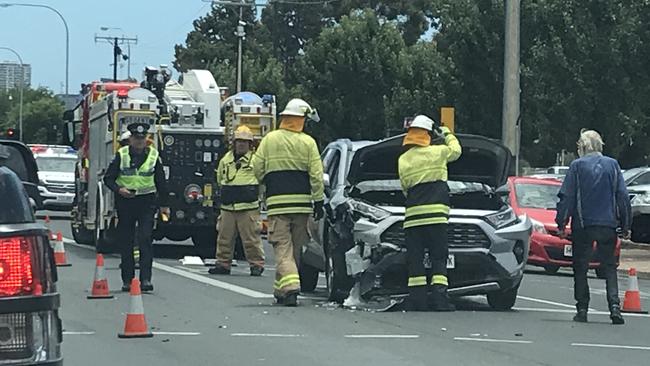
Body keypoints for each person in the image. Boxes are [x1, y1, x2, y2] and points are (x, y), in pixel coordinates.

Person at [253, 98, 324, 307]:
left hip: (278, 205)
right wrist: (318, 201)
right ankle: (281, 290)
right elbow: (317, 176)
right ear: (301, 119)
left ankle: (291, 287)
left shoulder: (270, 139)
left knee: (282, 249)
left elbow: (257, 167)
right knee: (293, 251)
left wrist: (265, 182)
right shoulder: (308, 142)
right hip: (302, 207)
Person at [556, 129, 631, 325]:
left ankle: (582, 309)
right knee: (610, 267)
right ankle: (614, 307)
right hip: (608, 224)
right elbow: (622, 197)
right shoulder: (613, 165)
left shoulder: (577, 166)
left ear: (582, 147)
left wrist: (561, 223)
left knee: (580, 267)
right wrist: (625, 224)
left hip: (583, 224)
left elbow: (567, 197)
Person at [398, 115, 461, 311]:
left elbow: (405, 187)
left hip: (413, 218)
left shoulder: (403, 159)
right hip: (437, 217)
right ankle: (440, 299)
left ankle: (418, 300)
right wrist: (447, 133)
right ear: (428, 135)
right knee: (438, 257)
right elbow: (456, 151)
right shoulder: (439, 152)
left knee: (415, 259)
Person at [104, 122, 170, 292]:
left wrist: (164, 205)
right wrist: (120, 189)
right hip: (126, 203)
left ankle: (146, 279)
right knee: (126, 241)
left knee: (145, 239)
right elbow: (108, 179)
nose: (139, 141)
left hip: (146, 203)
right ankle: (127, 280)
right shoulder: (122, 155)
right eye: (136, 138)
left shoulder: (154, 156)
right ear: (131, 139)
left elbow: (161, 183)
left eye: (142, 138)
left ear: (146, 139)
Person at [209, 125, 265, 276]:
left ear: (250, 145)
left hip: (248, 208)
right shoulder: (226, 160)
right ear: (233, 143)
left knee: (251, 239)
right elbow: (220, 179)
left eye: (245, 142)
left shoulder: (256, 161)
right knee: (224, 238)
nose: (241, 144)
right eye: (238, 141)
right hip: (228, 207)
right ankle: (222, 264)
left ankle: (256, 264)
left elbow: (262, 180)